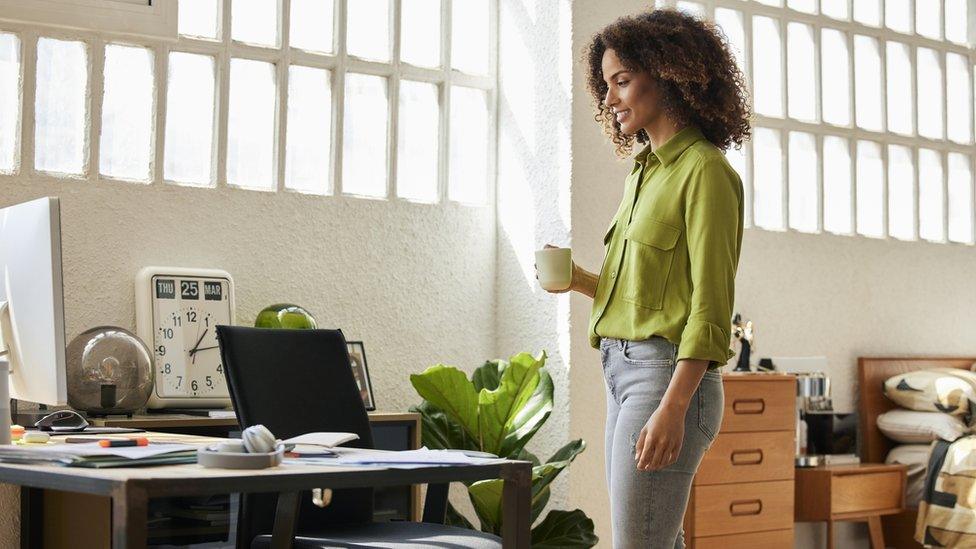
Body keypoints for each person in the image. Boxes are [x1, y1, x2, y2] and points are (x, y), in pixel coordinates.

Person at [541, 8, 750, 548]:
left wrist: (674, 407)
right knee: (653, 539)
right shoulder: (645, 171)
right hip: (622, 371)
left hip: (666, 380)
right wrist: (579, 280)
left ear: (668, 74)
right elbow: (643, 291)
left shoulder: (706, 172)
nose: (610, 100)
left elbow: (710, 304)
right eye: (607, 85)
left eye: (622, 81)